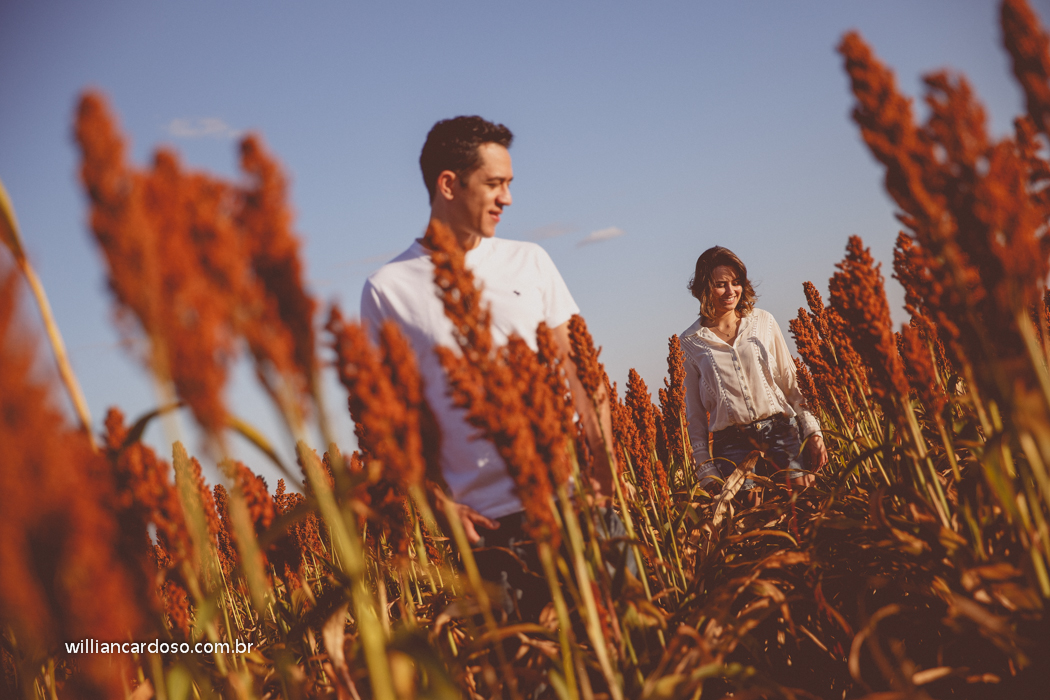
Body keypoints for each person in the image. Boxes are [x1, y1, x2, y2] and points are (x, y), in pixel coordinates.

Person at [359, 116, 617, 618]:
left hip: (574, 498)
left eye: (510, 184)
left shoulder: (530, 261)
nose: (508, 199)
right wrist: (435, 502)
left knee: (627, 660)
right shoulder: (387, 289)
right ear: (449, 184)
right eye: (495, 184)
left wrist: (604, 466)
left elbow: (581, 370)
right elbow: (386, 419)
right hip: (492, 534)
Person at [680, 246, 827, 493]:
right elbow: (694, 415)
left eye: (736, 282)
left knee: (804, 506)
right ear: (704, 289)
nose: (730, 291)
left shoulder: (762, 321)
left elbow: (791, 383)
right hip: (732, 445)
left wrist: (813, 431)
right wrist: (704, 467)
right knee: (750, 521)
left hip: (781, 432)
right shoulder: (690, 341)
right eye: (720, 284)